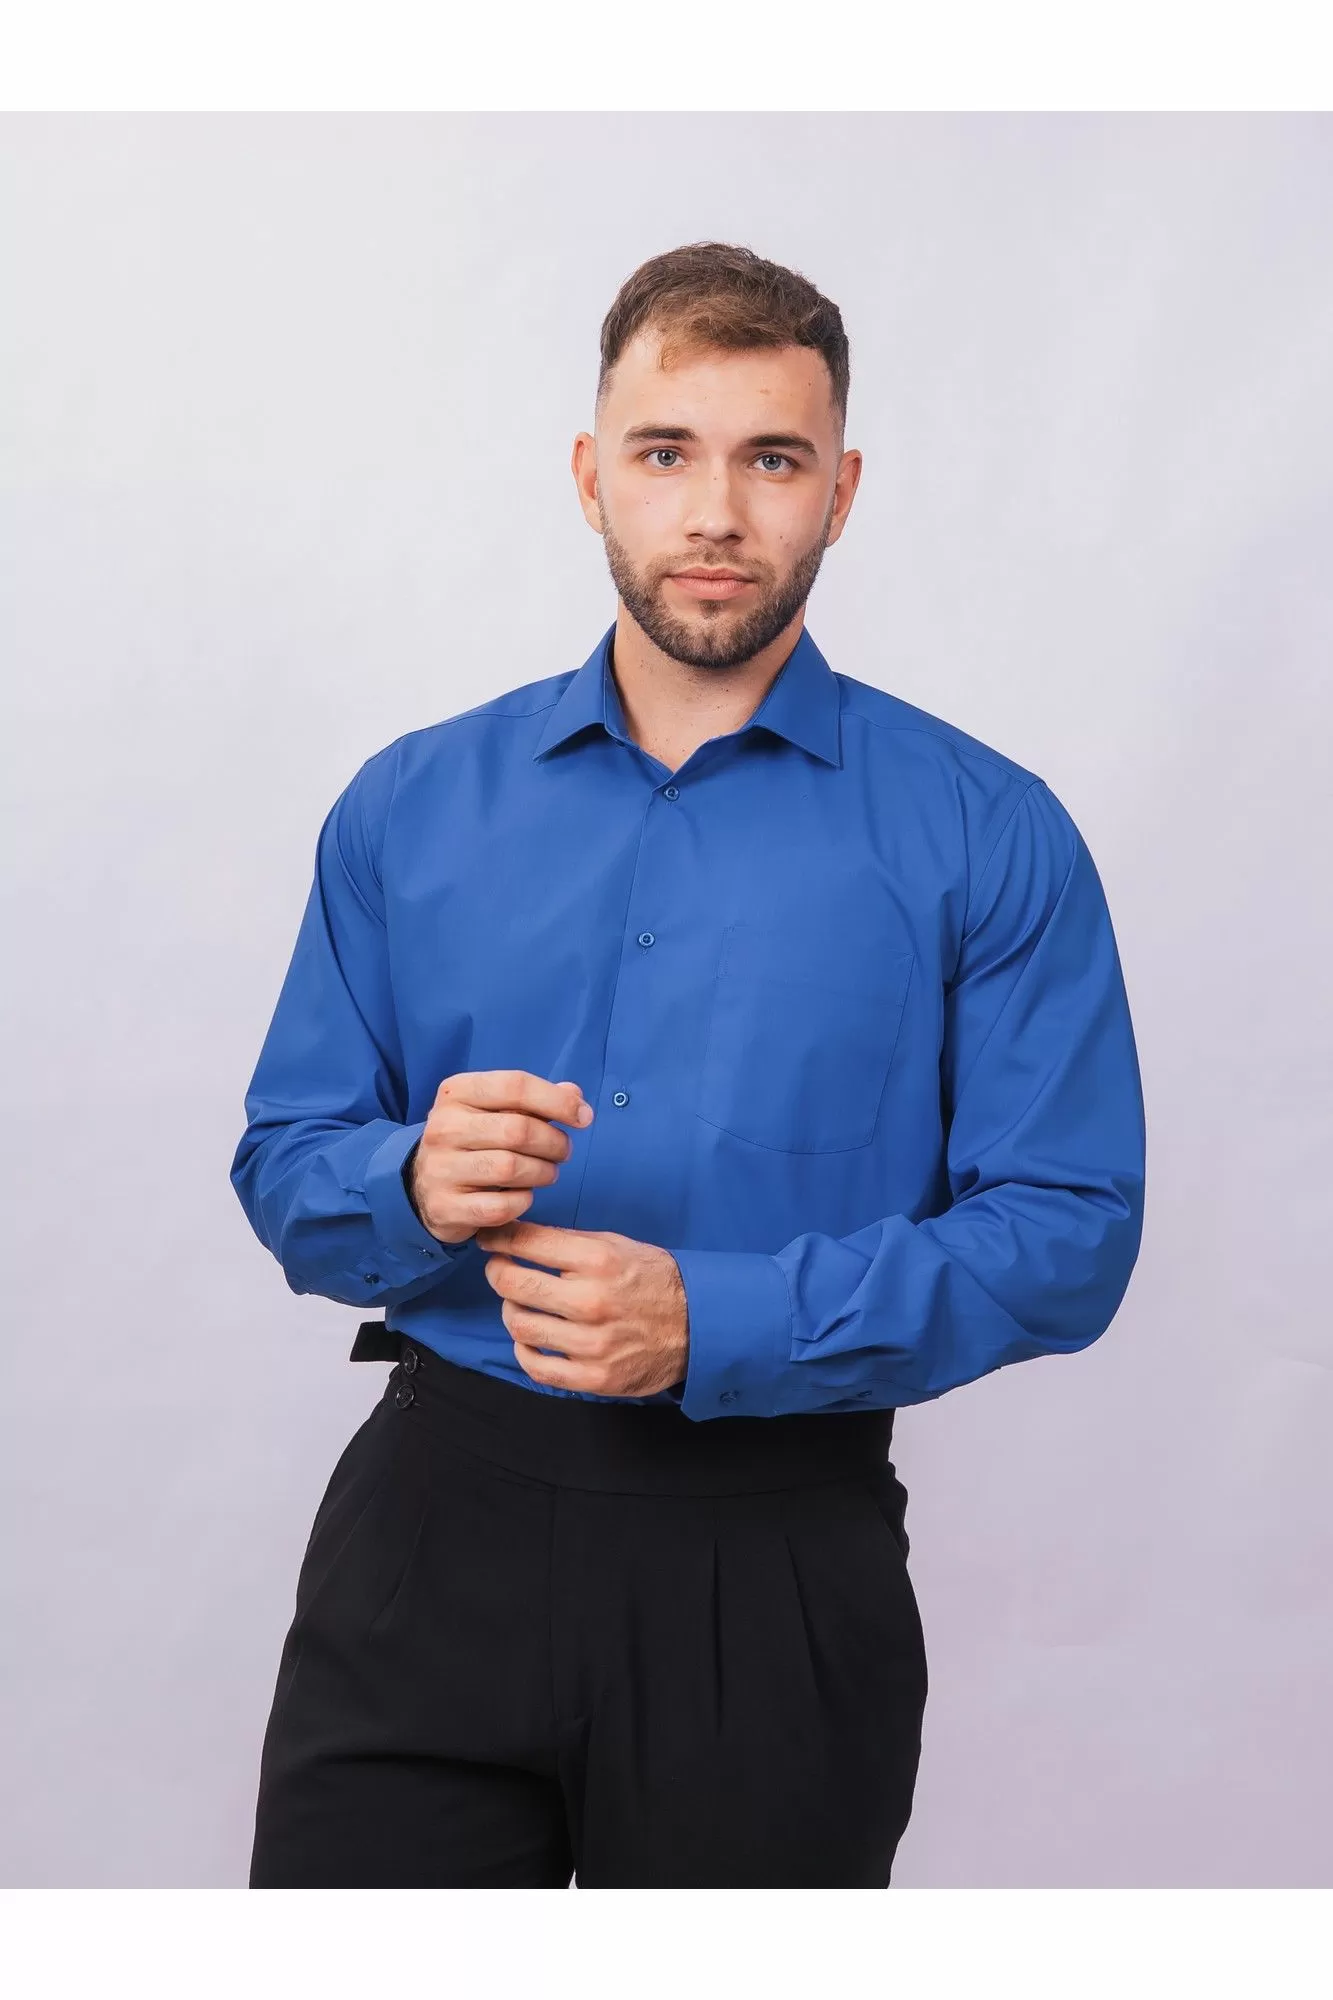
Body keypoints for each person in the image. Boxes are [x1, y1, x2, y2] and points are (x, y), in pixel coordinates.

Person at [231, 239, 1146, 1888]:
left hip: (773, 1563)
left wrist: (714, 1324)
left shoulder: (989, 834)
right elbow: (287, 1159)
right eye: (667, 453)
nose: (715, 512)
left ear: (841, 492)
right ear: (593, 475)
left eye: (771, 460)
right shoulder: (407, 806)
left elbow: (1069, 1233)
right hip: (429, 1536)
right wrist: (405, 1183)